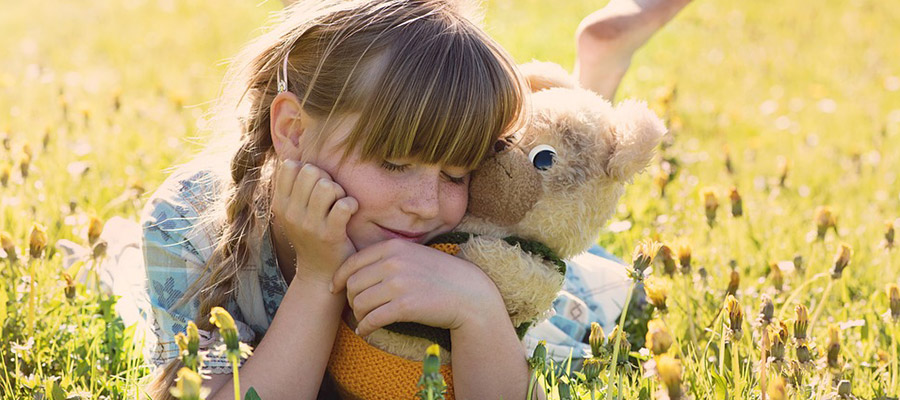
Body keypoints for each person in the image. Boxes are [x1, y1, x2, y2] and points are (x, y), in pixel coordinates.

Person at [141, 1, 534, 398]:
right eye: (394, 164)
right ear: (293, 130)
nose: (427, 206)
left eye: (456, 175)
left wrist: (478, 308)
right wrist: (319, 278)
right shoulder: (185, 223)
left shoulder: (479, 236)